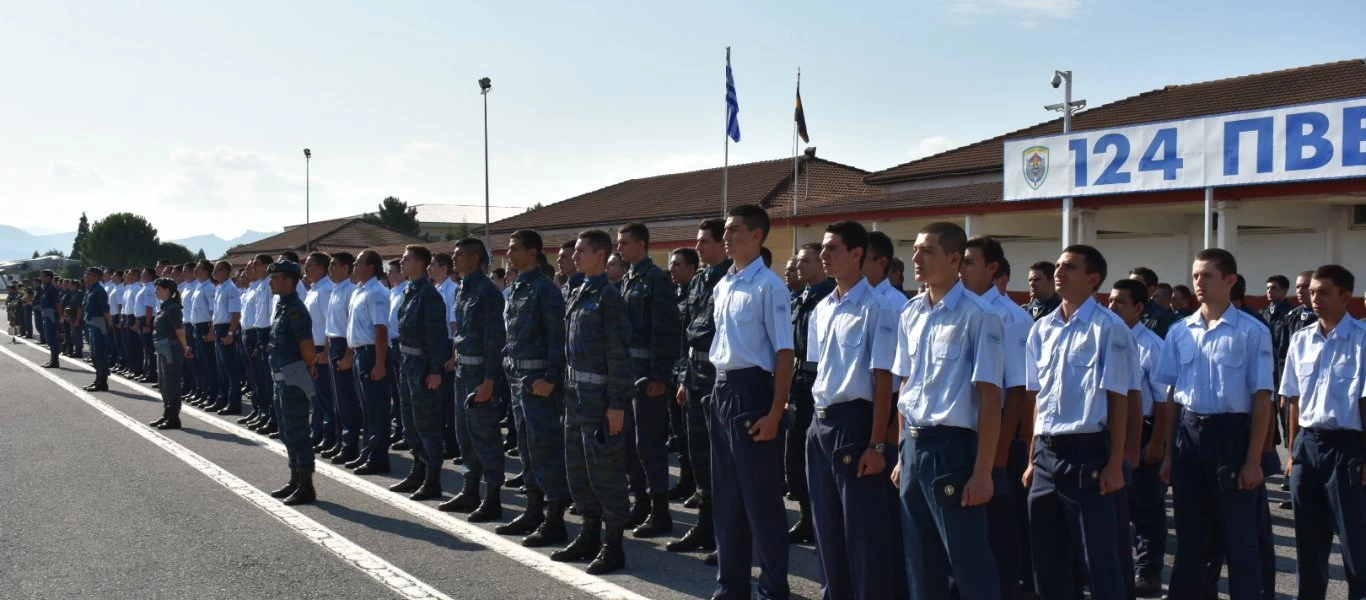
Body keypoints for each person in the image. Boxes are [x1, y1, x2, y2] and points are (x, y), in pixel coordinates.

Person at [892, 222, 1003, 600]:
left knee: (969, 562)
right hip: (914, 447)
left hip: (952, 450)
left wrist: (983, 473)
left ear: (955, 259)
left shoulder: (979, 315)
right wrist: (901, 454)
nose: (916, 258)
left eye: (927, 251)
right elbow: (906, 385)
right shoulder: (911, 313)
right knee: (920, 563)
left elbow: (990, 398)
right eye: (915, 249)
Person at [1154, 248, 1273, 600]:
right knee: (1190, 536)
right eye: (1195, 275)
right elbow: (1172, 394)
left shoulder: (1252, 331)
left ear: (1230, 280)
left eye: (1207, 275)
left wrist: (1254, 460)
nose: (1199, 282)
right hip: (1189, 435)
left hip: (1231, 437)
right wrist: (1168, 454)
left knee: (1240, 539)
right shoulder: (1180, 331)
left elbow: (1262, 398)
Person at [1023, 244, 1131, 600]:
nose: (1059, 272)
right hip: (1046, 455)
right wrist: (1032, 458)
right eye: (1057, 265)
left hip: (1087, 454)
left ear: (1093, 278)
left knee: (1097, 560)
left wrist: (1115, 463)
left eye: (1069, 267)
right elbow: (1039, 399)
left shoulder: (1109, 328)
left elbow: (1119, 400)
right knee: (1047, 560)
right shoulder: (1042, 329)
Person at [805, 220, 898, 599]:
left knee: (862, 534)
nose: (823, 255)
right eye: (823, 248)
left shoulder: (878, 308)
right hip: (821, 422)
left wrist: (877, 445)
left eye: (832, 249)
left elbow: (884, 381)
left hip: (855, 424)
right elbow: (820, 369)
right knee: (826, 529)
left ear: (857, 254)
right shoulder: (822, 307)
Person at [708, 204, 794, 599]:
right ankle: (731, 588)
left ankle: (773, 590)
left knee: (761, 503)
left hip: (753, 393)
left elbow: (784, 353)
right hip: (722, 390)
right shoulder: (724, 284)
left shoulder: (769, 286)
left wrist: (775, 412)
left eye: (734, 230)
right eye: (725, 230)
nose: (726, 237)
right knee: (727, 499)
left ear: (757, 235)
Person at [549, 228, 633, 575]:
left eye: (581, 251)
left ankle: (613, 545)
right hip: (575, 396)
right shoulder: (578, 291)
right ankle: (588, 535)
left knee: (606, 472)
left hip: (600, 399)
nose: (574, 256)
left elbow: (619, 355)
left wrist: (617, 403)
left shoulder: (609, 297)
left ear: (600, 255)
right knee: (578, 470)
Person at [1281, 265, 1366, 600]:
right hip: (1307, 445)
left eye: (1324, 292)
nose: (1315, 298)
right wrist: (1293, 451)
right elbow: (1294, 400)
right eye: (1313, 292)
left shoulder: (1362, 339)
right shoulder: (1301, 339)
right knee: (1308, 540)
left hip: (1348, 446)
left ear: (1346, 296)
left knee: (1355, 539)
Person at [960, 235, 1031, 600]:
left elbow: (1017, 389)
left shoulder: (1011, 317)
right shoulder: (957, 308)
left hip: (997, 432)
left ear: (993, 269)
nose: (961, 268)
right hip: (961, 431)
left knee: (1001, 530)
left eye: (970, 261)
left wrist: (1001, 450)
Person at [498, 230, 572, 546]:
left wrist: (551, 378)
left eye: (515, 249)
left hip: (539, 381)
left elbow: (558, 338)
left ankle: (554, 519)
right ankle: (533, 510)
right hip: (519, 380)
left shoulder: (545, 289)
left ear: (532, 252)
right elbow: (513, 334)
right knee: (527, 448)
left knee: (546, 449)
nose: (509, 254)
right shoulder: (517, 287)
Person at [666, 217, 732, 558]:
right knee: (699, 455)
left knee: (722, 459)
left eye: (704, 241)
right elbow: (686, 331)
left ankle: (728, 534)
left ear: (722, 244)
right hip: (694, 375)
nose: (698, 247)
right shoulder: (700, 280)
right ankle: (705, 525)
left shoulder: (731, 279)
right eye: (698, 241)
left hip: (718, 375)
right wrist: (683, 377)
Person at [613, 222, 681, 537]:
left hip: (647, 376)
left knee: (649, 444)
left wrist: (659, 376)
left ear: (641, 244)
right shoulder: (629, 279)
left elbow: (665, 331)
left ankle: (660, 510)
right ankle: (640, 503)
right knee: (629, 443)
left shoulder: (656, 280)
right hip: (628, 374)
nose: (619, 248)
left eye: (624, 243)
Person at [1108, 279, 1171, 597]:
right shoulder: (1105, 338)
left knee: (1146, 508)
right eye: (1110, 301)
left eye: (1120, 302)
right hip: (1110, 430)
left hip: (1145, 430)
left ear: (1138, 308)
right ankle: (1116, 569)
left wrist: (1157, 441)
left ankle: (1148, 572)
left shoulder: (1151, 345)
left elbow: (1163, 400)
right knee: (1114, 507)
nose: (1112, 307)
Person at [438, 238, 507, 520]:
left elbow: (494, 339)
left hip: (480, 373)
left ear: (476, 258)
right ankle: (469, 490)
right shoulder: (463, 287)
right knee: (465, 433)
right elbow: (462, 331)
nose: (454, 259)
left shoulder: (488, 292)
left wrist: (489, 381)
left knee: (485, 435)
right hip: (463, 370)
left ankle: (492, 497)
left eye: (459, 255)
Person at [388, 245, 451, 502]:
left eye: (407, 259)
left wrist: (435, 370)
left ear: (420, 264)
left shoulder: (428, 294)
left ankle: (432, 480)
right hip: (407, 362)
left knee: (428, 425)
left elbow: (437, 337)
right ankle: (418, 471)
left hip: (423, 365)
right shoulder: (410, 291)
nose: (402, 263)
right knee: (410, 423)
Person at [261, 261, 321, 506]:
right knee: (287, 431)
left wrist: (309, 366)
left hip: (293, 376)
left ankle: (306, 485)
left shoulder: (295, 309)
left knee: (298, 431)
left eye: (275, 278)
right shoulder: (282, 306)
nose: (270, 282)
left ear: (289, 281)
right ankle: (295, 478)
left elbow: (307, 346)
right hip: (281, 376)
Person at [789, 241, 834, 544]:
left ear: (821, 263)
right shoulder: (799, 299)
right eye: (798, 262)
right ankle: (807, 517)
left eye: (806, 261)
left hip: (819, 380)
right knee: (795, 456)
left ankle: (824, 522)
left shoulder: (829, 299)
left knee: (819, 458)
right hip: (797, 380)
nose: (799, 266)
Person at [340, 249, 393, 475]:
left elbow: (381, 330)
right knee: (367, 408)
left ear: (371, 266)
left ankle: (378, 458)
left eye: (359, 262)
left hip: (372, 353)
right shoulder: (359, 291)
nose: (354, 265)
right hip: (360, 353)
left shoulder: (376, 293)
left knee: (377, 409)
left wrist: (379, 364)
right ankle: (368, 452)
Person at [667, 247, 701, 502]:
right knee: (679, 431)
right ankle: (685, 480)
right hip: (674, 368)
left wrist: (684, 378)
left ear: (691, 268)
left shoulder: (696, 295)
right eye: (671, 264)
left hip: (689, 372)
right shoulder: (674, 294)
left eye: (677, 264)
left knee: (693, 434)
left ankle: (697, 484)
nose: (672, 269)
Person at [321, 252, 362, 466]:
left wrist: (348, 355)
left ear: (346, 269)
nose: (330, 269)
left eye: (334, 265)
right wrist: (326, 350)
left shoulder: (350, 291)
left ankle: (350, 445)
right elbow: (331, 326)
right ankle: (339, 440)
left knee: (347, 400)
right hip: (334, 345)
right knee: (337, 400)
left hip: (345, 346)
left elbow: (349, 327)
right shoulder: (335, 290)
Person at [302, 252, 336, 453]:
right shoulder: (313, 290)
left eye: (310, 265)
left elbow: (329, 324)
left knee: (325, 395)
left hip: (322, 348)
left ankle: (328, 434)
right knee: (315, 394)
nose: (306, 269)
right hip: (312, 348)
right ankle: (317, 431)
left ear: (321, 268)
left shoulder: (325, 290)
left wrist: (325, 351)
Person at [148, 278, 191, 429]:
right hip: (163, 347)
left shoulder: (173, 307)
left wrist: (185, 347)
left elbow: (179, 330)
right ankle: (167, 413)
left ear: (167, 290)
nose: (156, 292)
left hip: (172, 348)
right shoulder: (165, 306)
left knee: (171, 382)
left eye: (159, 289)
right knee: (163, 381)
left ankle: (174, 417)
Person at [431, 252, 461, 462]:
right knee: (438, 400)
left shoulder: (451, 290)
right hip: (438, 346)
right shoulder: (436, 289)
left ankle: (452, 444)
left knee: (448, 400)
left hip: (448, 346)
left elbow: (454, 325)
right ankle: (443, 439)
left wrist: (453, 356)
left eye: (433, 264)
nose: (429, 268)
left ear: (443, 268)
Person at [208, 261, 243, 415]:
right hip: (218, 328)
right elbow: (216, 313)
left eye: (217, 270)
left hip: (226, 328)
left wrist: (230, 333)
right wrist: (212, 330)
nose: (214, 273)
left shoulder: (231, 288)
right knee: (221, 368)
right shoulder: (219, 288)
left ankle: (234, 403)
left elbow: (236, 313)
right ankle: (222, 399)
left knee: (230, 368)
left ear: (224, 271)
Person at [82, 268, 113, 392]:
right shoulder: (91, 288)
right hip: (91, 321)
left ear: (95, 276)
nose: (86, 276)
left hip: (99, 322)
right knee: (94, 354)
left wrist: (109, 324)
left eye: (89, 274)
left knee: (100, 353)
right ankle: (98, 379)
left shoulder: (99, 290)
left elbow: (105, 310)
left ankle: (102, 381)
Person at [1130, 266, 1178, 339]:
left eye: (1136, 285)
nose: (1130, 289)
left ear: (1152, 289)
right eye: (1129, 284)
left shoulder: (1161, 317)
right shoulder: (1124, 312)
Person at [37, 270, 61, 368]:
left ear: (48, 277)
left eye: (43, 276)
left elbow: (57, 303)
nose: (41, 278)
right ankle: (52, 360)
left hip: (51, 315)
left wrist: (61, 315)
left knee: (52, 338)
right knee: (49, 337)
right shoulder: (45, 288)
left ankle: (55, 361)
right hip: (46, 314)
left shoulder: (52, 288)